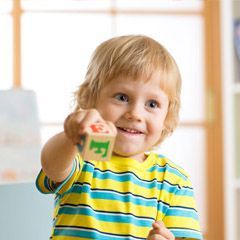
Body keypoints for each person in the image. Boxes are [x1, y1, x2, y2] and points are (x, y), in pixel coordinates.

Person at [36, 35, 202, 240]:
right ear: (90, 98)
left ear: (167, 117)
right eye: (122, 98)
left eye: (152, 104)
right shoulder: (82, 158)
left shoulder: (174, 181)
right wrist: (71, 136)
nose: (135, 114)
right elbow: (52, 167)